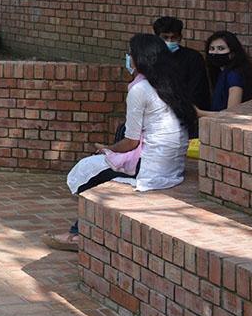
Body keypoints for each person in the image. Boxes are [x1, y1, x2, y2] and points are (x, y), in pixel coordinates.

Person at [43, 34, 195, 251]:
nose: (128, 58)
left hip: (152, 169)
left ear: (140, 59)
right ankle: (81, 230)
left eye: (130, 54)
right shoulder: (171, 83)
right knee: (112, 146)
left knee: (88, 170)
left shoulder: (139, 89)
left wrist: (107, 150)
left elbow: (131, 141)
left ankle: (78, 234)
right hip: (172, 167)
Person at [152, 16, 211, 114]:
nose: (169, 41)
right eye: (165, 38)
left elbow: (198, 91)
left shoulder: (193, 58)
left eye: (174, 38)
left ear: (180, 37)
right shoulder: (153, 59)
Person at [204, 30, 252, 112]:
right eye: (212, 48)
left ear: (232, 53)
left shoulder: (234, 75)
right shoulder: (221, 72)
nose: (215, 52)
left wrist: (200, 113)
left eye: (221, 48)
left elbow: (231, 113)